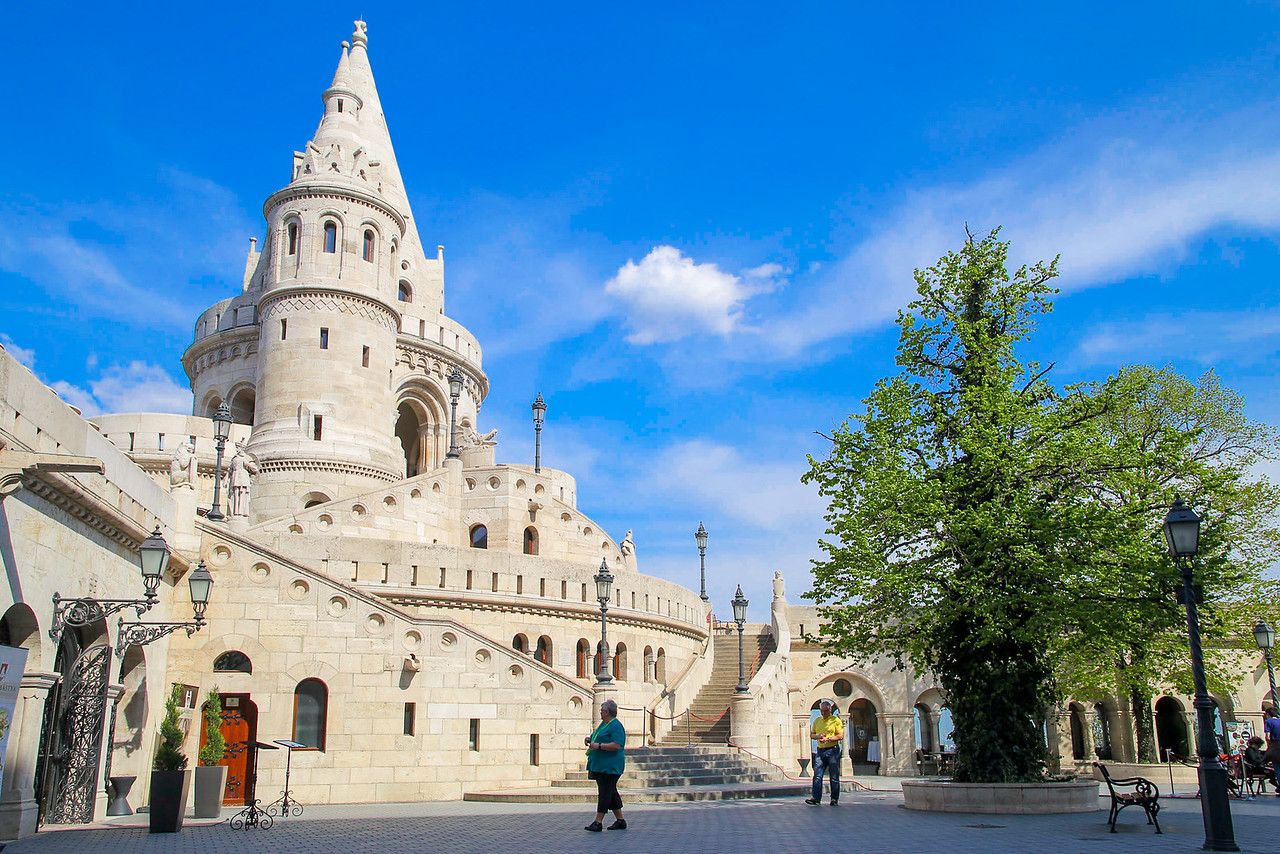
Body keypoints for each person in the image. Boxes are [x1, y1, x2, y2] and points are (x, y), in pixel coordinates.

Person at [584, 699, 627, 831]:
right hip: (600, 765)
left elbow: (617, 745)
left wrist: (599, 746)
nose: (600, 712)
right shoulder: (604, 724)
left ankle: (598, 821)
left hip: (610, 767)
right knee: (611, 792)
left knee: (605, 793)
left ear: (607, 712)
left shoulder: (616, 726)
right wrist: (590, 740)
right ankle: (620, 820)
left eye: (602, 710)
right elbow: (597, 737)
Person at [806, 699, 844, 806]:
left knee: (834, 776)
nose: (823, 713)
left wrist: (829, 739)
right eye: (821, 711)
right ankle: (816, 798)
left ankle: (834, 799)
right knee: (817, 775)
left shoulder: (835, 720)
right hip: (820, 750)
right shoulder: (817, 721)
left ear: (830, 710)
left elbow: (840, 735)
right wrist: (818, 736)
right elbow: (812, 734)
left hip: (832, 750)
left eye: (825, 711)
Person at [1263, 707, 1280, 796]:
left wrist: (1269, 746)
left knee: (1277, 766)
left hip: (1276, 746)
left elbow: (1267, 736)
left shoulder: (1268, 722)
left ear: (1268, 714)